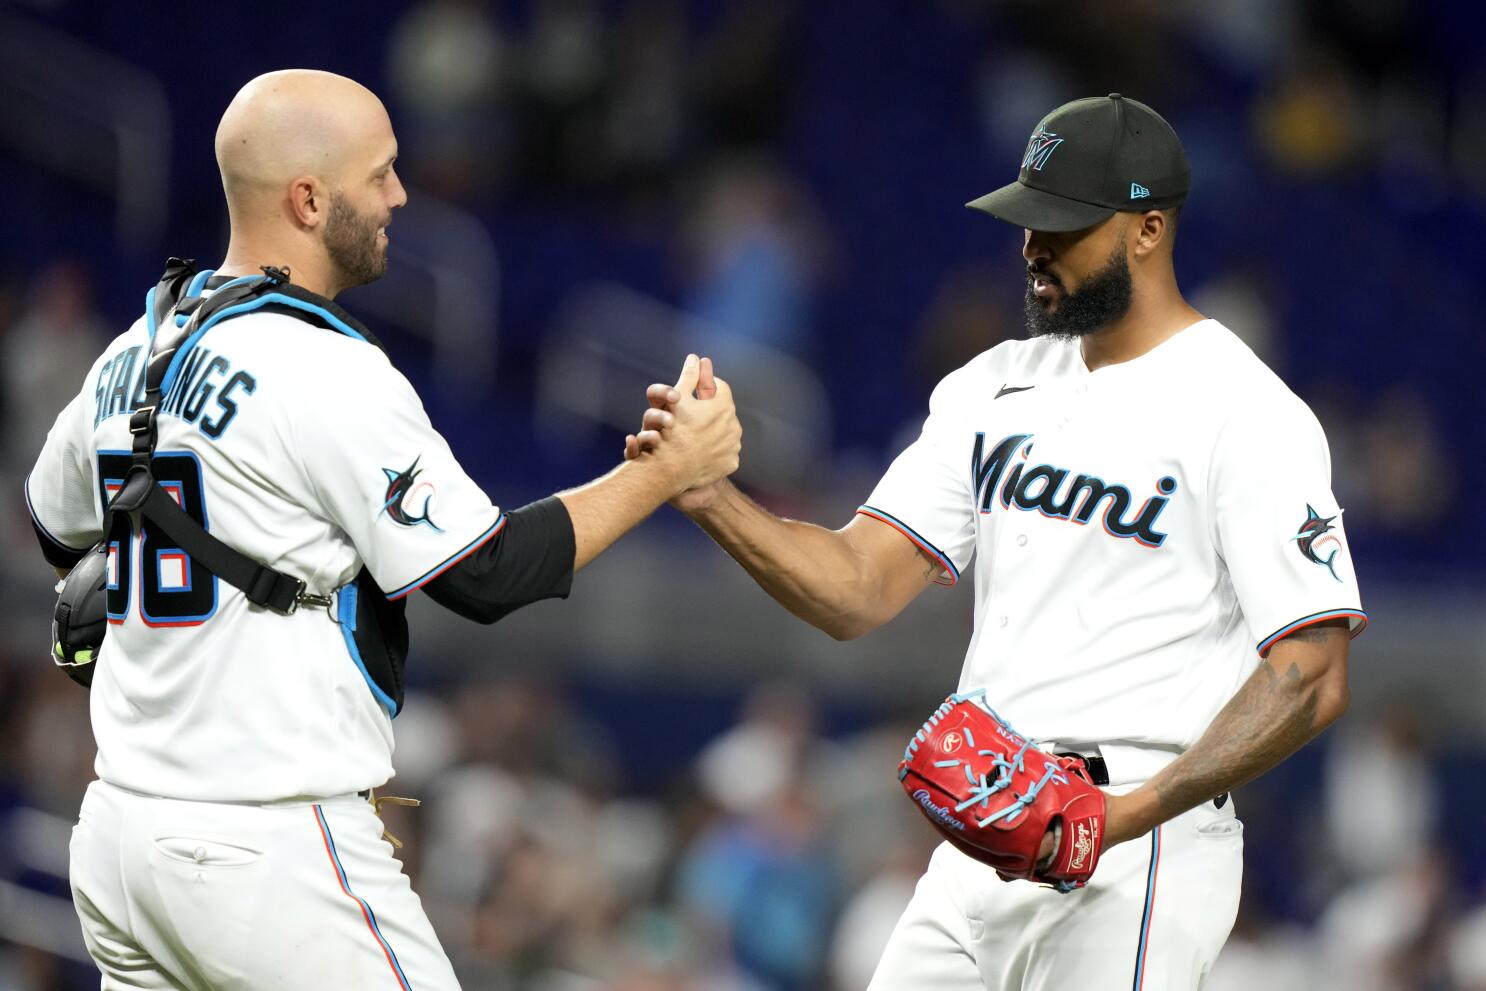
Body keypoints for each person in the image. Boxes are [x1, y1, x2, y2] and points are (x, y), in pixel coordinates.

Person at [628, 94, 1366, 989]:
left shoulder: (1244, 412)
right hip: (987, 824)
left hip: (1140, 843)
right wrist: (710, 497)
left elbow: (1313, 669)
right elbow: (858, 586)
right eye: (1027, 222)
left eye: (1062, 227)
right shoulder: (993, 387)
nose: (1033, 250)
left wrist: (1128, 812)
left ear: (1148, 229)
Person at [24, 69, 739, 991]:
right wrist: (667, 471)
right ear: (310, 199)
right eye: (381, 173)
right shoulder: (325, 367)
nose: (401, 194)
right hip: (265, 844)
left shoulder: (134, 350)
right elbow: (487, 574)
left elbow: (54, 529)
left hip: (120, 838)